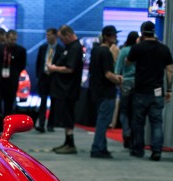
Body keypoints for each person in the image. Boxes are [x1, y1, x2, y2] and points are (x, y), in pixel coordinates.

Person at [127, 21, 173, 161]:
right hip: (157, 91)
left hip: (140, 90)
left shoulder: (137, 48)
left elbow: (128, 62)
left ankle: (138, 149)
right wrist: (169, 89)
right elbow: (170, 71)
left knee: (138, 122)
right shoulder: (164, 49)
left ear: (142, 32)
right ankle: (156, 151)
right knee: (156, 122)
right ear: (154, 32)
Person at [47, 25, 84, 154]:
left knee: (68, 115)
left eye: (62, 38)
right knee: (66, 116)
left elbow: (70, 68)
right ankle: (67, 142)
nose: (61, 41)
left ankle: (70, 143)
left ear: (67, 35)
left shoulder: (75, 47)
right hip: (64, 89)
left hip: (70, 89)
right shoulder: (69, 47)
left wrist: (54, 68)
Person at [88, 25, 123, 159]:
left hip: (97, 91)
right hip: (107, 92)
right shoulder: (106, 53)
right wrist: (118, 80)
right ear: (106, 37)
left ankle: (102, 147)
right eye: (113, 35)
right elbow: (108, 74)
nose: (116, 37)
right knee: (103, 122)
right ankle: (97, 148)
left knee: (101, 120)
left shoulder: (96, 50)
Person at [0, 30, 26, 130]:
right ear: (6, 38)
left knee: (9, 106)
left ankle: (8, 128)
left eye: (15, 40)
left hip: (12, 81)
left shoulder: (20, 50)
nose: (13, 42)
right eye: (11, 39)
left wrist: (15, 73)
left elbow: (22, 65)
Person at [34, 28, 63, 132]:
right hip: (43, 77)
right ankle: (41, 124)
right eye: (46, 35)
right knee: (43, 101)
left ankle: (51, 124)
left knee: (54, 102)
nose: (47, 37)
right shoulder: (42, 48)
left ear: (55, 36)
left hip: (54, 78)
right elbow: (38, 63)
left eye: (49, 35)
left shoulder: (61, 49)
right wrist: (38, 76)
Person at [115, 31, 139, 148]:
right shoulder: (139, 50)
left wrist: (118, 81)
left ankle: (126, 133)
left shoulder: (124, 51)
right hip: (138, 83)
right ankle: (134, 137)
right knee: (135, 112)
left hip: (126, 83)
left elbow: (118, 68)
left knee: (124, 111)